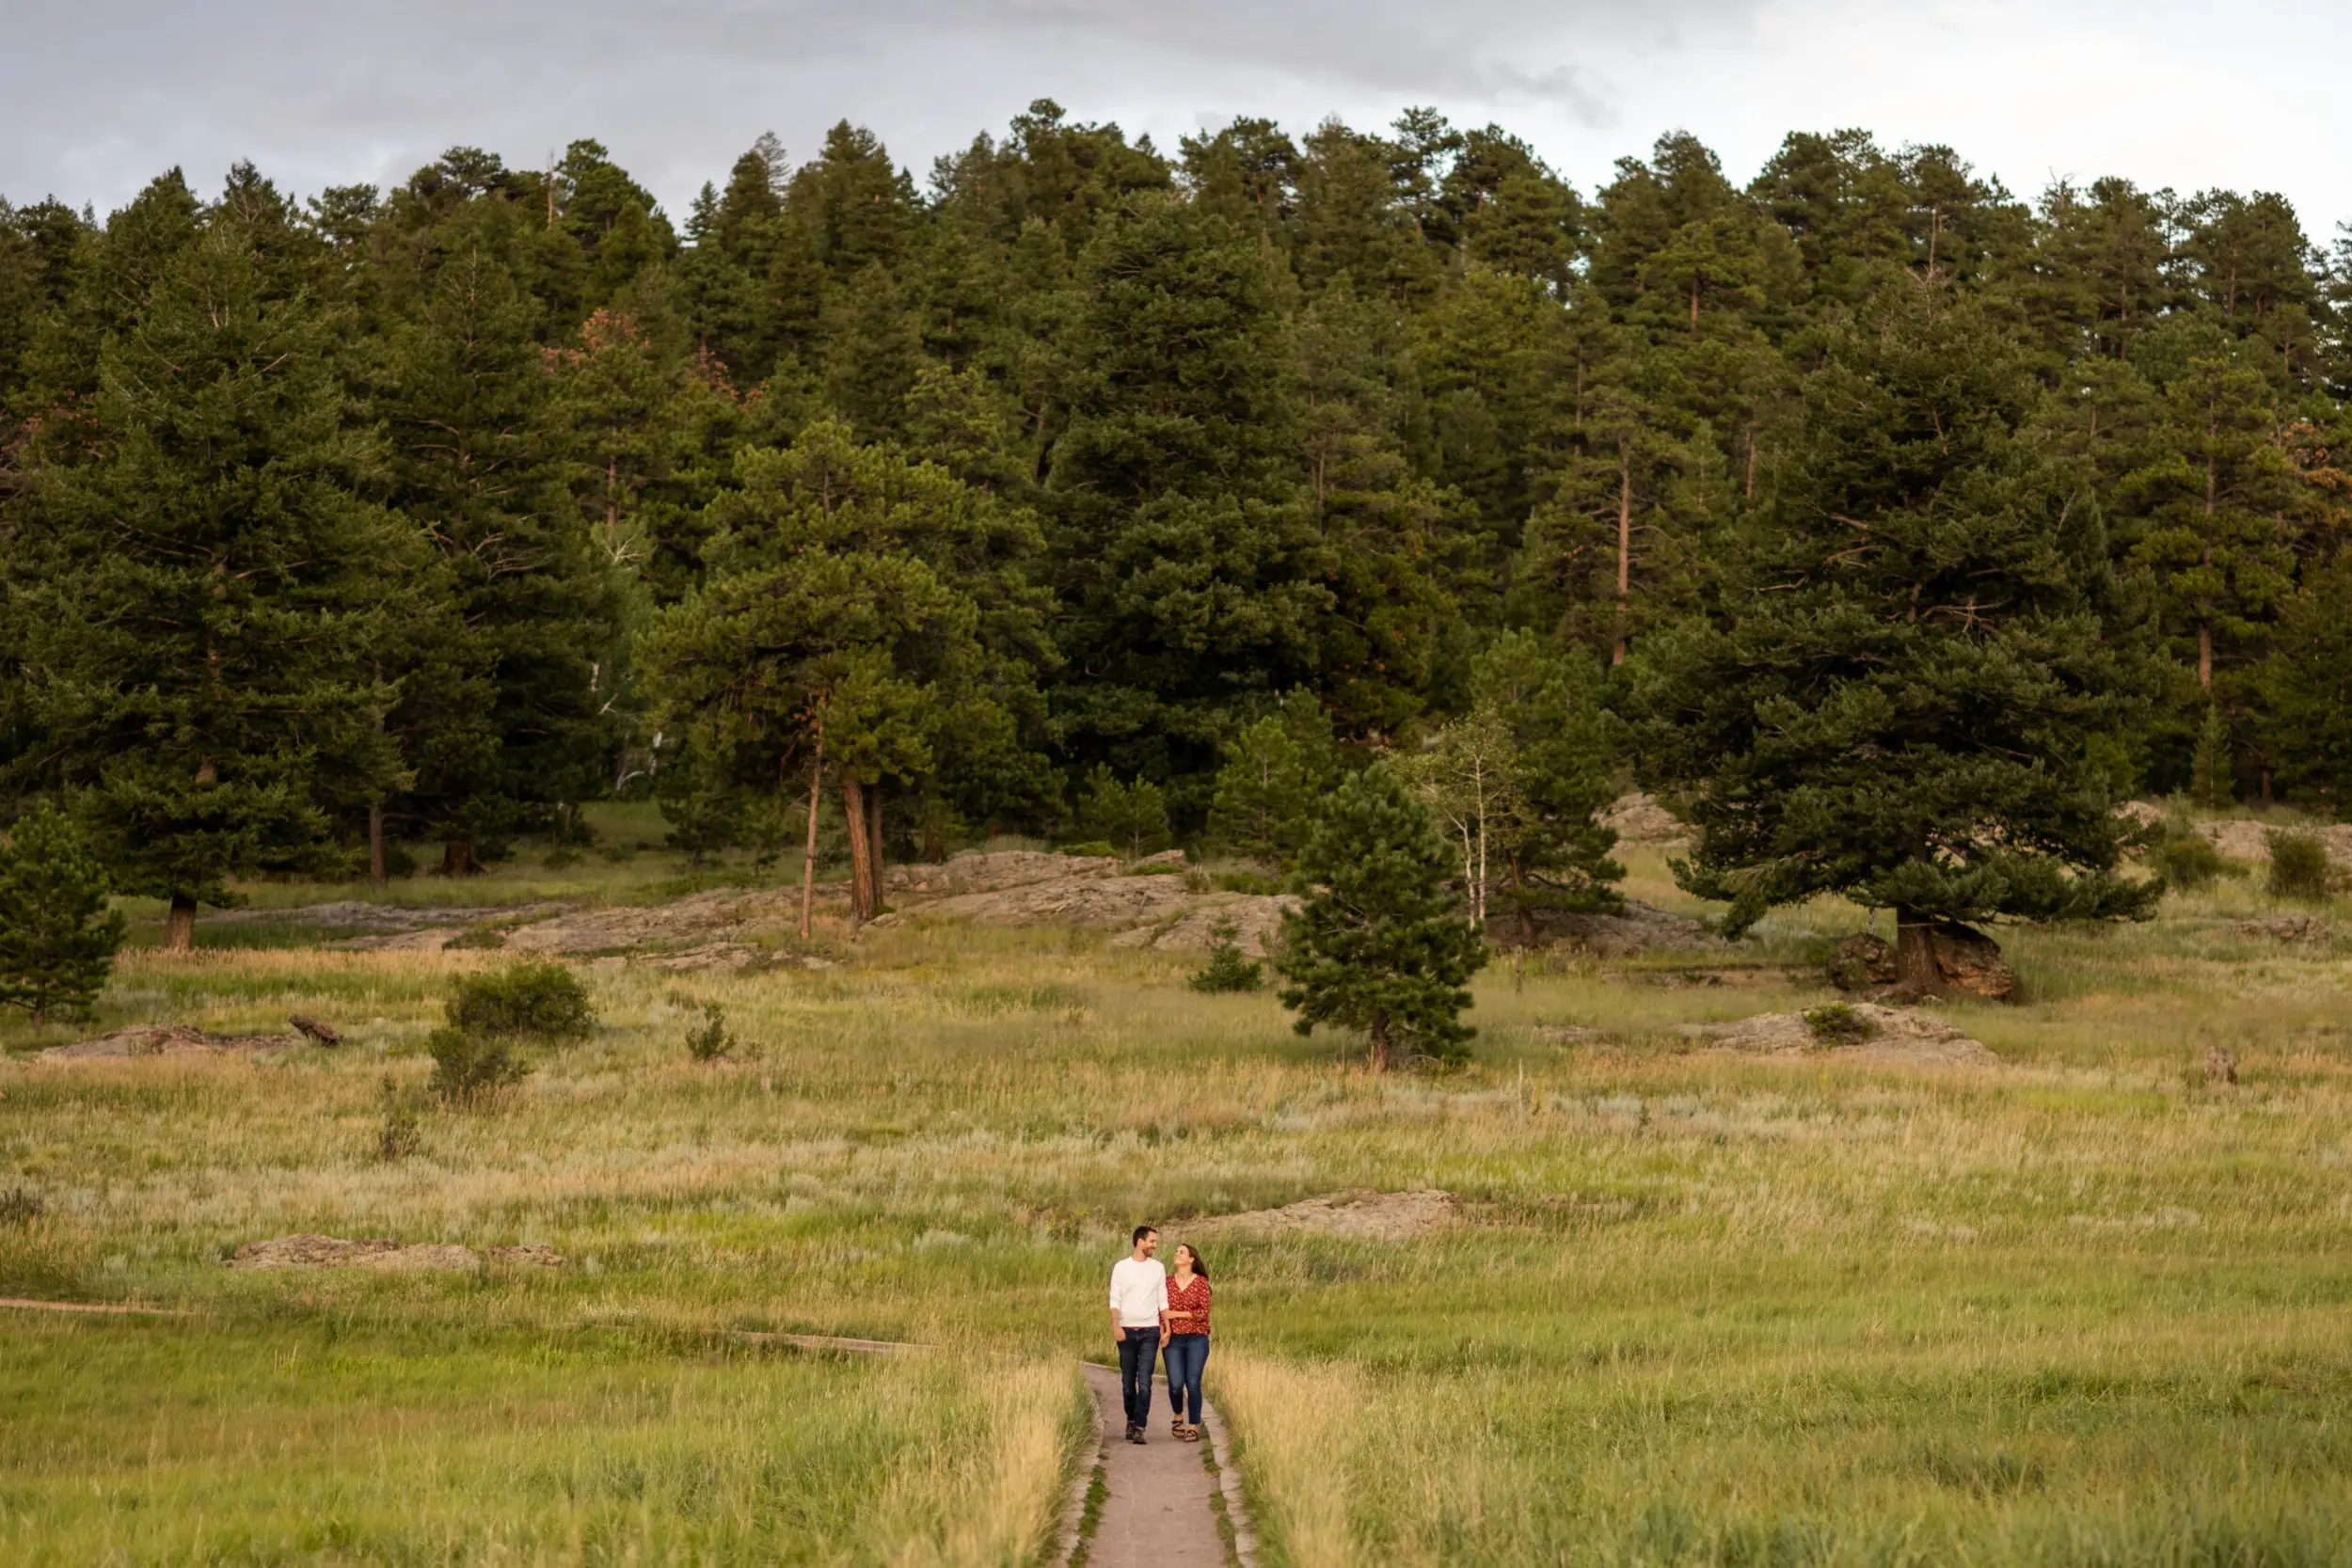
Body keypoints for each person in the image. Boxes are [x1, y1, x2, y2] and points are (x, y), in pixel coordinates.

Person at [1106, 1223, 1167, 1444]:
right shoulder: (1121, 1267)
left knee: (1145, 1381)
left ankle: (1140, 1425)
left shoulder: (1158, 1268)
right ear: (1140, 1241)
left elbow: (1163, 1300)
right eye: (1152, 1241)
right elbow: (1115, 1299)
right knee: (1127, 1381)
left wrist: (1165, 1327)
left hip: (1150, 1330)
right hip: (1127, 1330)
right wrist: (1116, 1326)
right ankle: (1131, 1418)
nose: (1155, 1245)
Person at [1161, 1242, 1211, 1442]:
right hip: (1174, 1338)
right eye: (1176, 1251)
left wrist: (1177, 1314)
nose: (1177, 1253)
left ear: (1191, 1259)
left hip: (1197, 1338)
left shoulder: (1200, 1283)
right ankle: (1178, 1415)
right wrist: (1165, 1329)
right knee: (1175, 1383)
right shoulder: (1167, 1282)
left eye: (1182, 1252)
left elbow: (1203, 1313)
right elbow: (1161, 1310)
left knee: (1192, 1382)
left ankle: (1193, 1425)